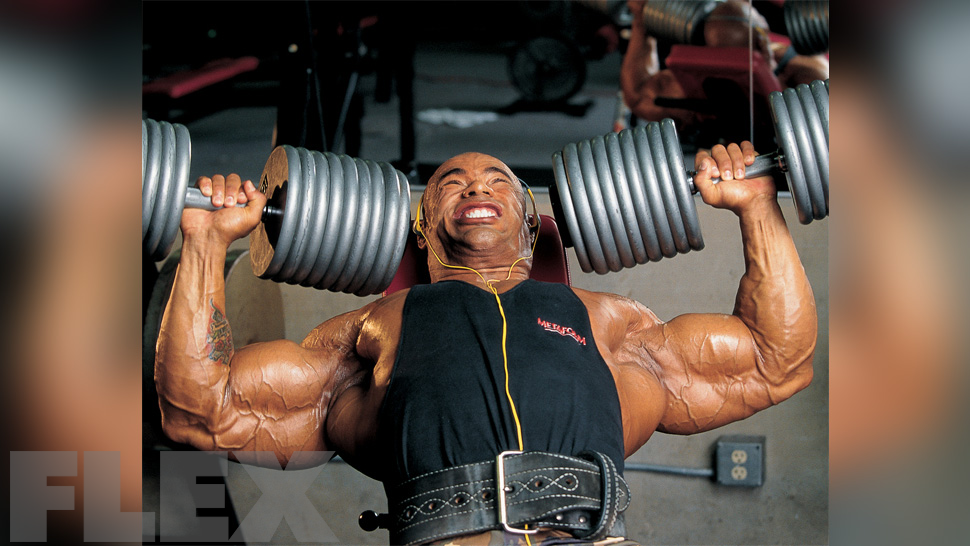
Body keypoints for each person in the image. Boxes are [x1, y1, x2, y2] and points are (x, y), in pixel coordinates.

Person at [155, 143, 817, 545]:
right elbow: (202, 412)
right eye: (450, 182)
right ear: (422, 228)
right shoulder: (372, 332)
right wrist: (206, 246)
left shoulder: (612, 327)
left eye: (499, 180)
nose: (476, 185)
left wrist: (757, 207)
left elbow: (775, 363)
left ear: (532, 224)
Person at [620, 0, 829, 135]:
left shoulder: (809, 72)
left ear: (762, 44)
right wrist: (640, 21)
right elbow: (639, 97)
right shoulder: (713, 72)